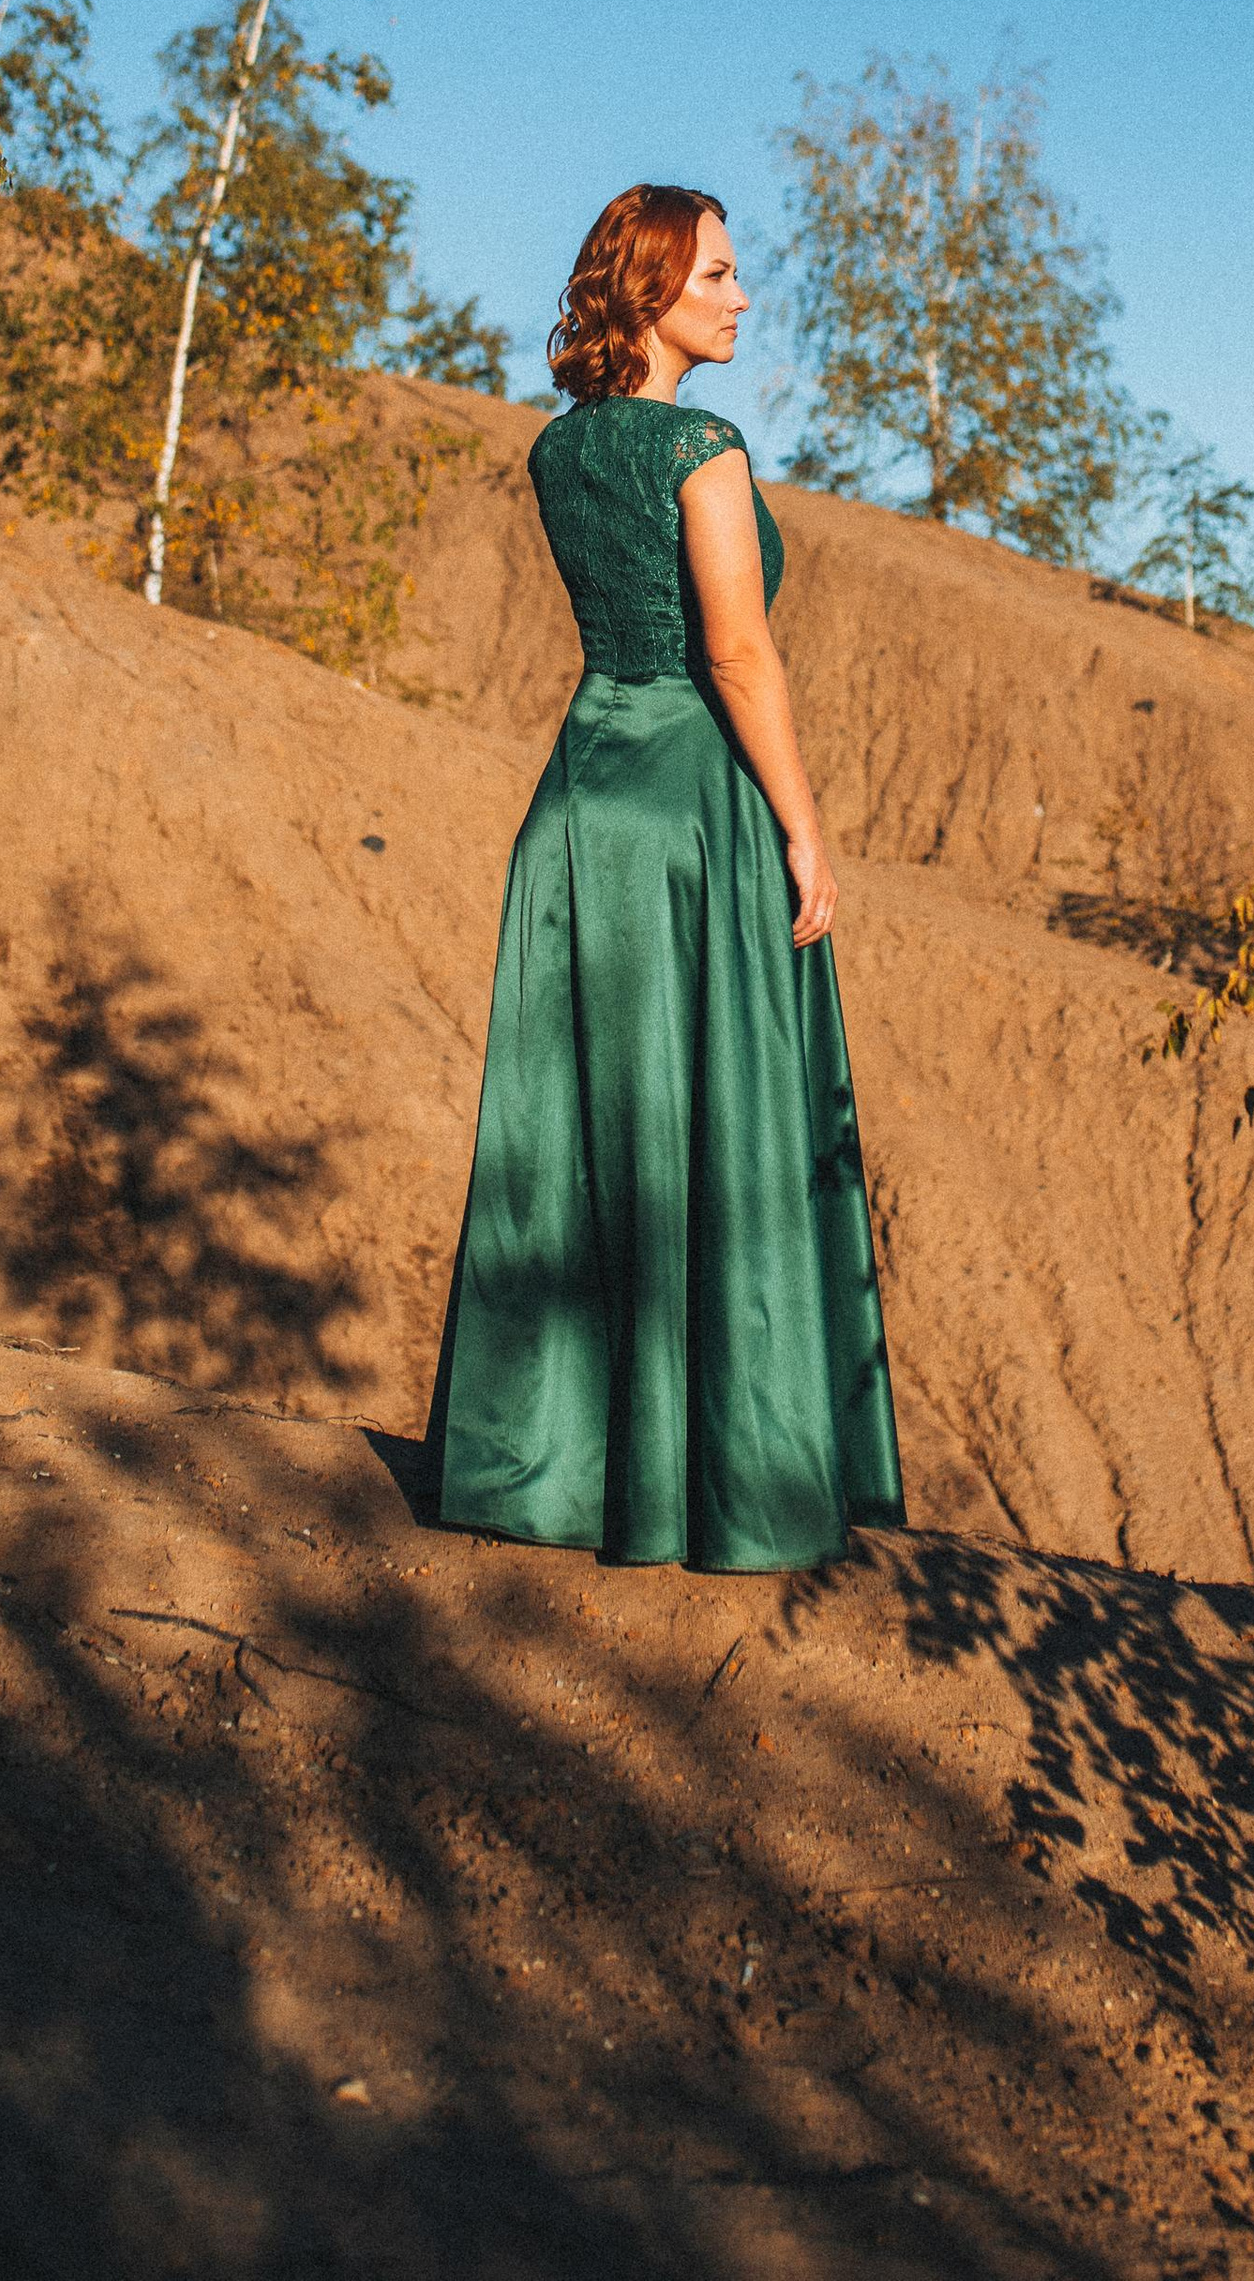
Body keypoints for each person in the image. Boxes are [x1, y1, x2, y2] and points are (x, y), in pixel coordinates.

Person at [429, 183, 905, 1571]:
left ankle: (558, 1478)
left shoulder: (560, 456)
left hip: (581, 799)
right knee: (719, 1133)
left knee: (581, 1135)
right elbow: (737, 655)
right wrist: (806, 827)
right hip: (696, 809)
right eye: (719, 275)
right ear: (648, 290)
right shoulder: (706, 444)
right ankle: (728, 1489)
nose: (742, 298)